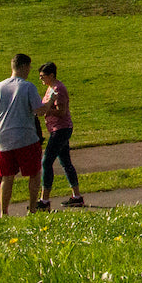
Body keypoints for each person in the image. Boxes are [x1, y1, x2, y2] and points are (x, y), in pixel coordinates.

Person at [0, 53, 46, 216]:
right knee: (34, 173)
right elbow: (38, 111)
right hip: (26, 138)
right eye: (29, 67)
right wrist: (50, 102)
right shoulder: (27, 87)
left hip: (3, 139)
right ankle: (32, 209)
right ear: (24, 67)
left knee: (7, 177)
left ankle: (4, 212)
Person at [37, 62, 84, 209]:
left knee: (46, 162)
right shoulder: (50, 88)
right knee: (65, 162)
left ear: (51, 75)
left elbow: (62, 112)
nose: (41, 79)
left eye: (43, 76)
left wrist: (46, 111)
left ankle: (44, 200)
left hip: (61, 129)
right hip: (56, 129)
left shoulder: (59, 89)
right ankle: (76, 196)